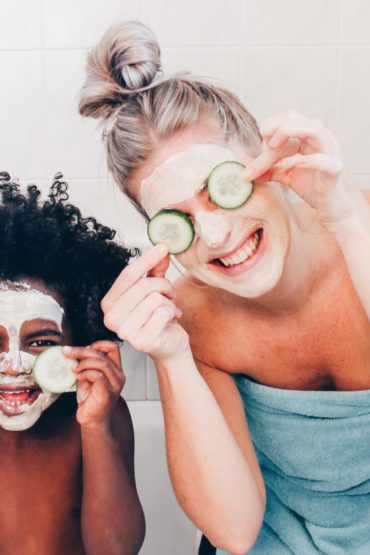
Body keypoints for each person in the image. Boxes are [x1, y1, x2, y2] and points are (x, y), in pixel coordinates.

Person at [79, 21, 370, 555]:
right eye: (176, 217)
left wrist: (349, 220)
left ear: (267, 160)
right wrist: (171, 356)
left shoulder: (360, 222)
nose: (214, 236)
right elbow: (234, 532)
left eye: (222, 190)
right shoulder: (195, 317)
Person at [0, 172, 145, 555]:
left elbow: (115, 550)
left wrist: (95, 425)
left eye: (41, 342)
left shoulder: (99, 418)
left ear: (80, 343)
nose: (13, 366)